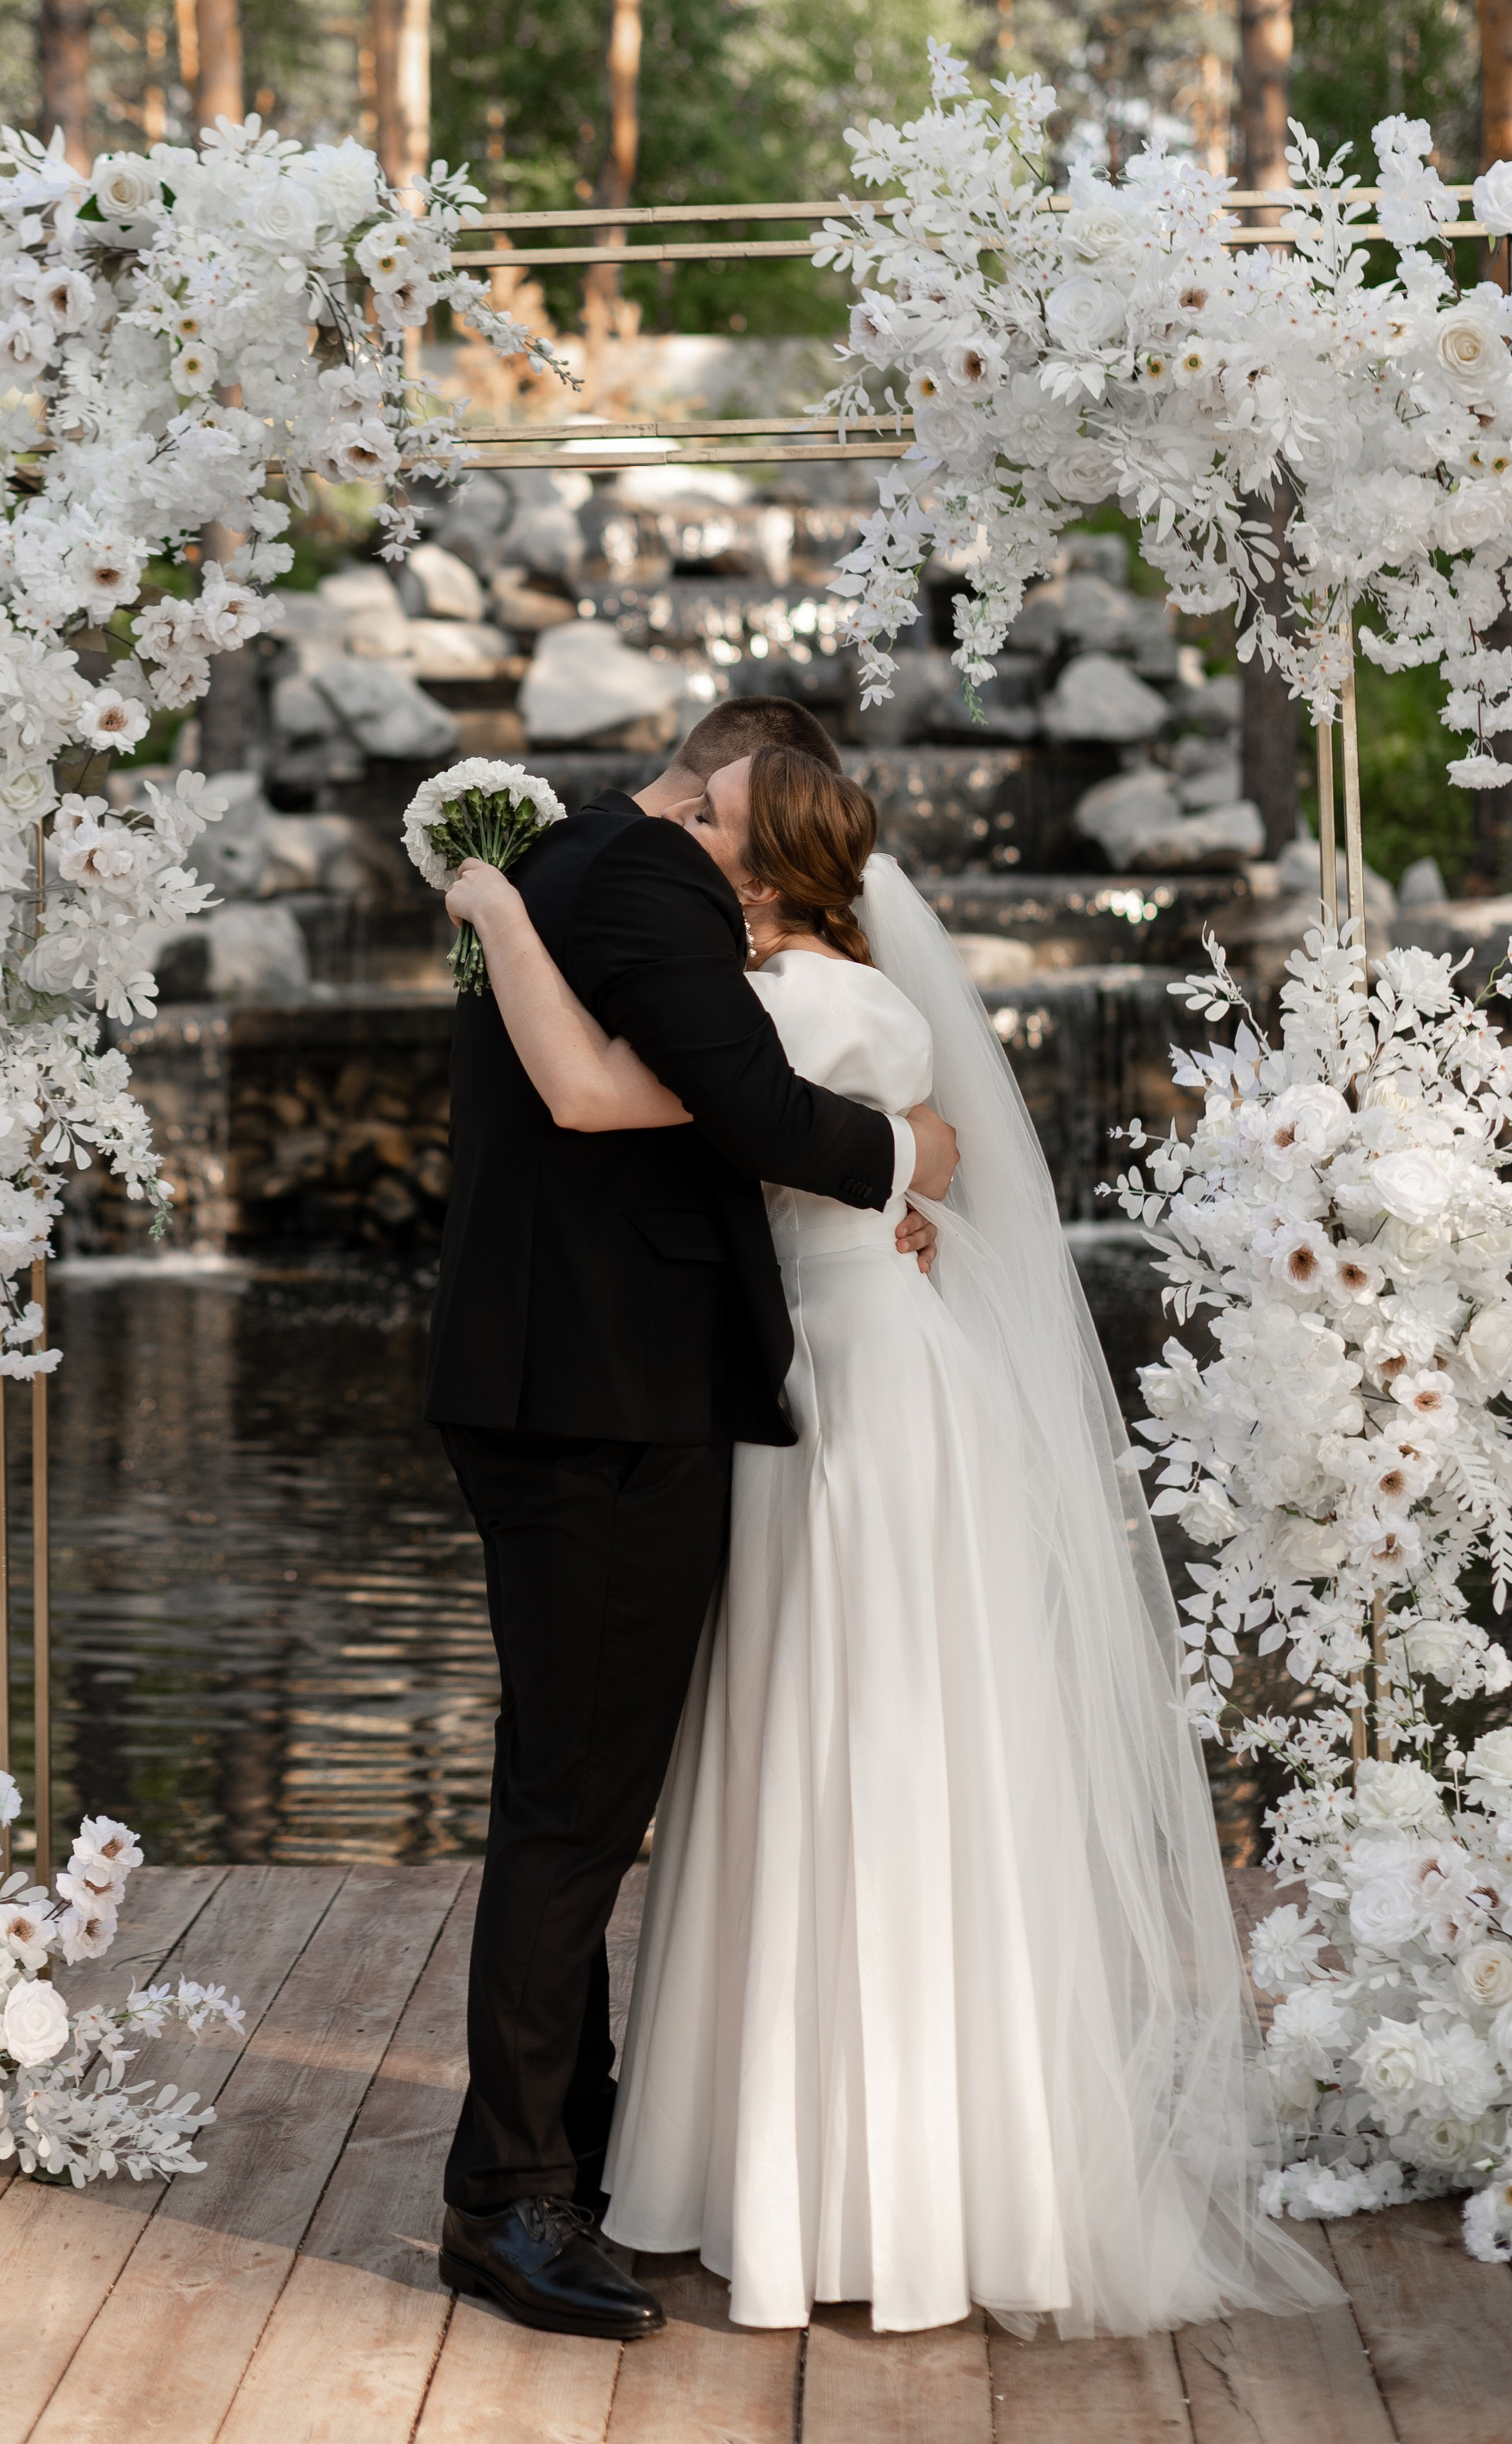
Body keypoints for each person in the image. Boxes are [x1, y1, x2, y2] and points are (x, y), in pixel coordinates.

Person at [443, 743, 1342, 2341]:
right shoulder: (861, 998)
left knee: (803, 1748)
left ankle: (684, 2164)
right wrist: (907, 1158)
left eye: (703, 815)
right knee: (879, 1750)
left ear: (765, 870)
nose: (673, 825)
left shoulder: (772, 997)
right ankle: (879, 2159)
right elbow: (779, 1132)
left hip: (829, 1392)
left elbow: (607, 1094)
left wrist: (493, 903)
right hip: (856, 1368)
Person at [425, 699, 960, 2342]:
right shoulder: (642, 881)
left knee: (569, 1788)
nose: (743, 869)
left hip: (578, 1386)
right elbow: (711, 1102)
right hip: (602, 1402)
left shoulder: (570, 863)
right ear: (730, 785)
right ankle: (504, 2200)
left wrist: (495, 900)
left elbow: (650, 1095)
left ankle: (563, 2155)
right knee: (576, 1809)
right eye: (754, 820)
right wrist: (906, 1153)